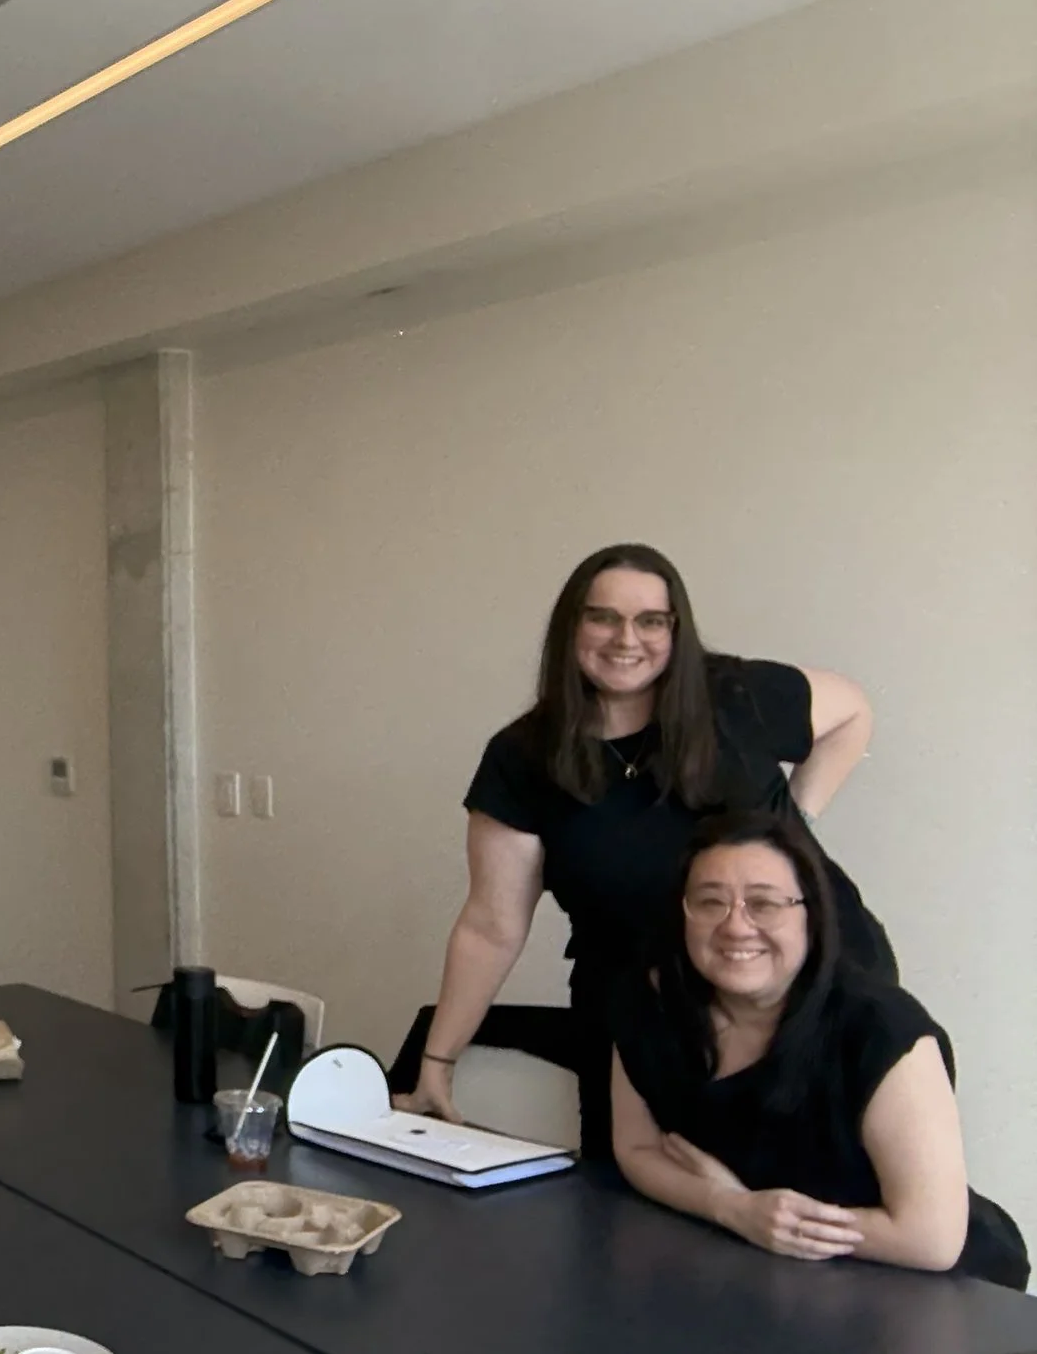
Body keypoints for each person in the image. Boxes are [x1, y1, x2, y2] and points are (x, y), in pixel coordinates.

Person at [397, 542, 882, 1156]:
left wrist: (795, 827)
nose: (627, 638)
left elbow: (852, 712)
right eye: (602, 616)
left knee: (799, 1212)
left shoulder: (735, 695)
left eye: (651, 620)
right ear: (571, 626)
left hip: (802, 995)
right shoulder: (523, 758)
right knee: (627, 1209)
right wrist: (438, 1061)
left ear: (675, 630)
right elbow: (491, 926)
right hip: (640, 1016)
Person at [607, 814, 1025, 1287]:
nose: (736, 926)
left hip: (931, 1289)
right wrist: (731, 1206)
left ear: (812, 916)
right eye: (710, 902)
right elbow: (637, 1147)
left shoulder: (881, 1030)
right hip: (765, 1273)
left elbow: (929, 1239)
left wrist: (771, 1220)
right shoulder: (651, 1005)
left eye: (764, 904)